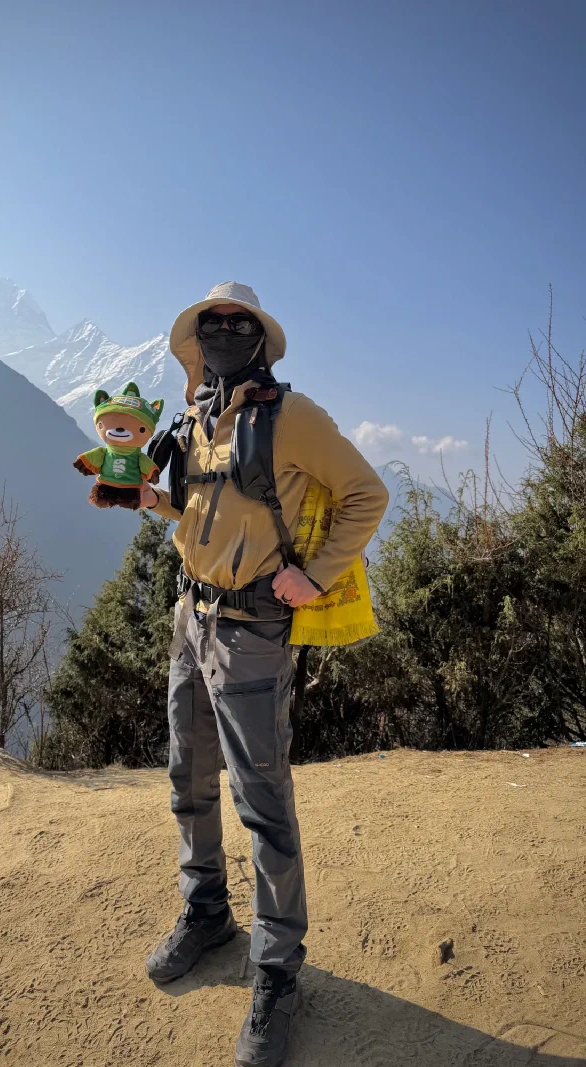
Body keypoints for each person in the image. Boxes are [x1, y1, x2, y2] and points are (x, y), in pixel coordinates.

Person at [140, 282, 388, 1067]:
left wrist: (313, 575)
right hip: (191, 617)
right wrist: (143, 497)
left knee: (263, 804)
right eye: (209, 322)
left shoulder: (293, 417)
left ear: (258, 337)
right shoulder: (195, 417)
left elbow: (366, 494)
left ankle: (277, 970)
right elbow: (196, 511)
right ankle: (207, 910)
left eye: (234, 322)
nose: (220, 330)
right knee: (187, 777)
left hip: (252, 632)